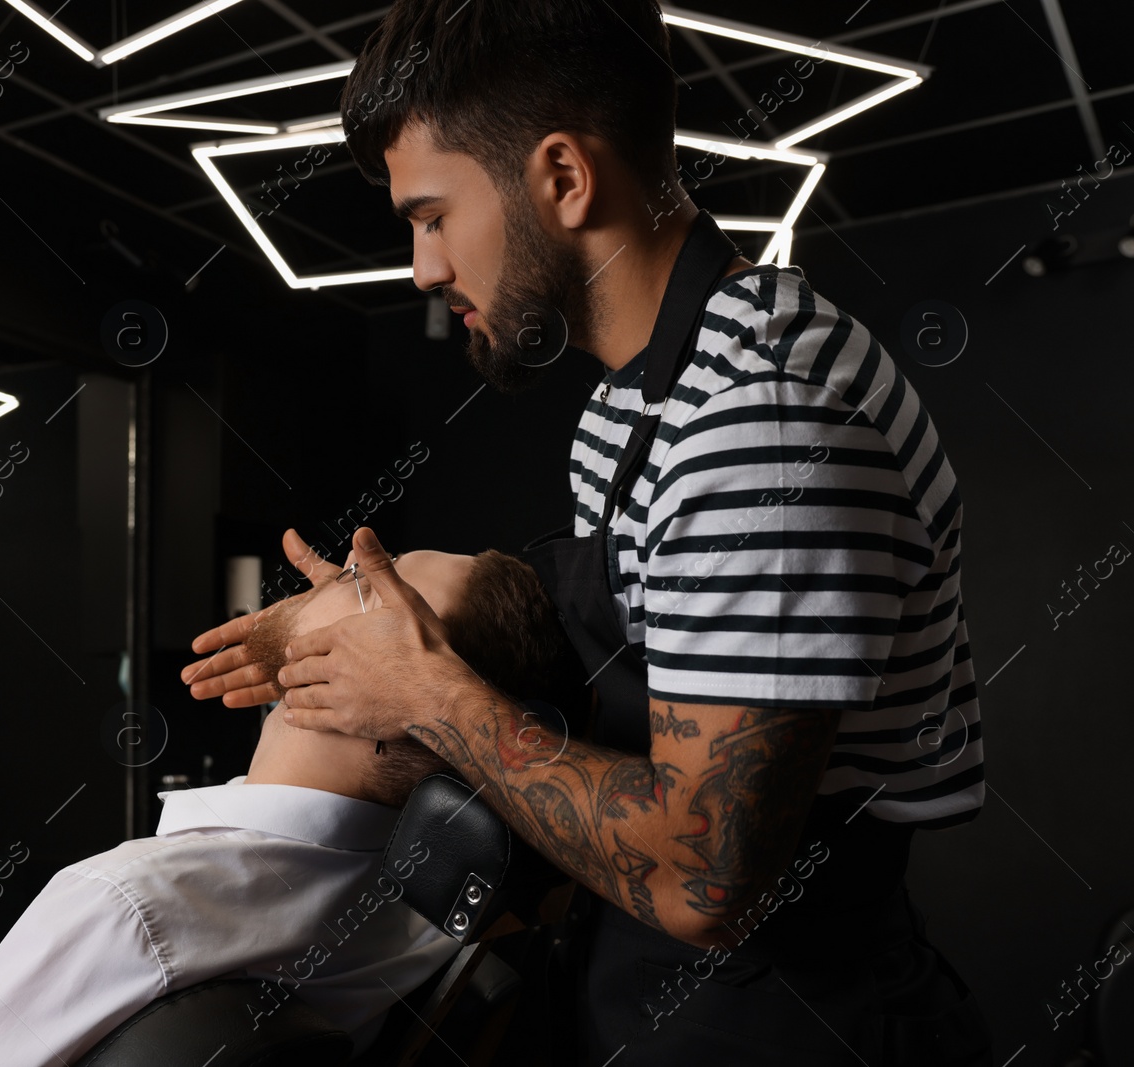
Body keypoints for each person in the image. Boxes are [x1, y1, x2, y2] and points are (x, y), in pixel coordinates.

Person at [182, 2, 992, 1064]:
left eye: (431, 215)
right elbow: (632, 692)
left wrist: (425, 688)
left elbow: (705, 879)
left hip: (786, 1022)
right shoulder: (627, 410)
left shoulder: (759, 416)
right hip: (637, 991)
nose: (424, 269)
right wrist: (386, 620)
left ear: (561, 176)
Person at [0, 537, 572, 1067]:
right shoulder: (429, 914)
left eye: (372, 589)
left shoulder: (126, 905)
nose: (338, 570)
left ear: (394, 696)